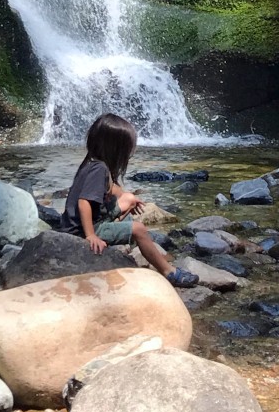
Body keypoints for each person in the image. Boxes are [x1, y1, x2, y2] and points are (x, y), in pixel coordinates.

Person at [57, 112, 198, 289]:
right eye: (127, 149)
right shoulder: (99, 169)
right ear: (116, 149)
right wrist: (90, 235)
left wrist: (130, 199)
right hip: (80, 230)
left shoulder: (93, 163)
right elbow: (84, 201)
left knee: (129, 199)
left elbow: (112, 189)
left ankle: (128, 239)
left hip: (87, 221)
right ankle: (168, 271)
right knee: (139, 229)